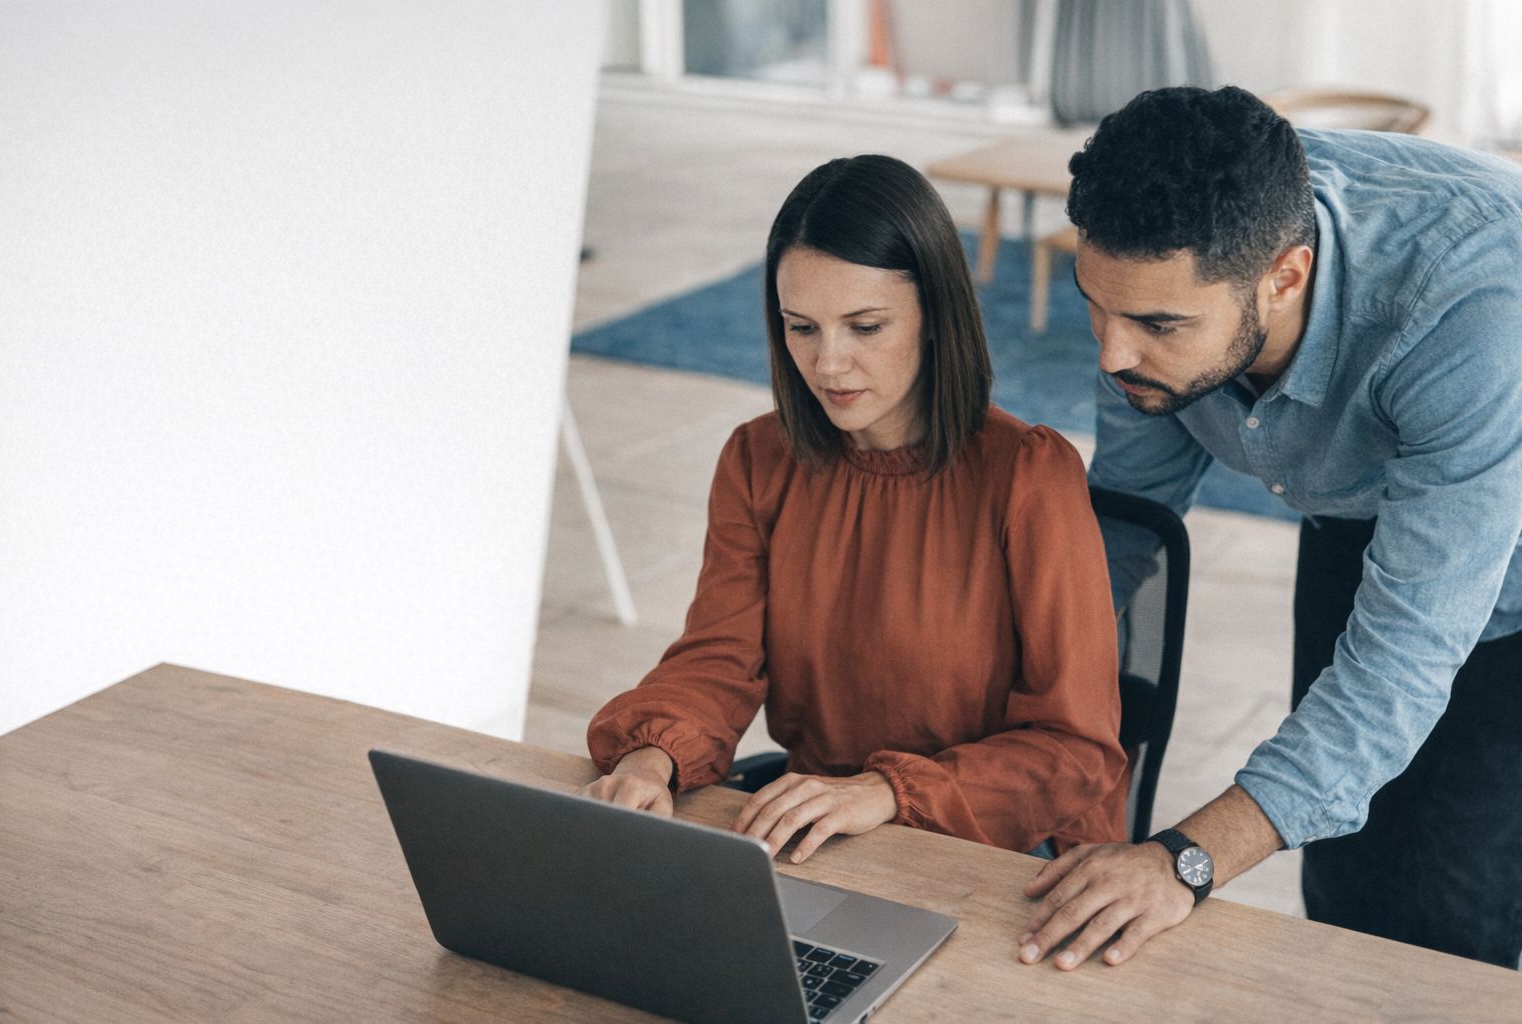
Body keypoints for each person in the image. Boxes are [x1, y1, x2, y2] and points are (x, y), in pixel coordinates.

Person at [1016, 85, 1522, 971]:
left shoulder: (1468, 313)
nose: (1111, 354)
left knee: (1462, 909)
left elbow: (1403, 659)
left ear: (1284, 277)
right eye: (1096, 304)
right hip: (1356, 503)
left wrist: (1184, 861)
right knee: (1343, 876)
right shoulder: (1169, 262)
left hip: (1505, 517)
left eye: (1157, 324)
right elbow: (1127, 520)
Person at [583, 154, 1128, 862]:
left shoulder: (1029, 476)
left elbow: (1076, 751)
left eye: (865, 327)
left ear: (934, 315)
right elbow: (719, 657)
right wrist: (651, 757)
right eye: (801, 327)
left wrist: (887, 792)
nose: (828, 365)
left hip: (991, 852)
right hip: (822, 834)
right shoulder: (758, 459)